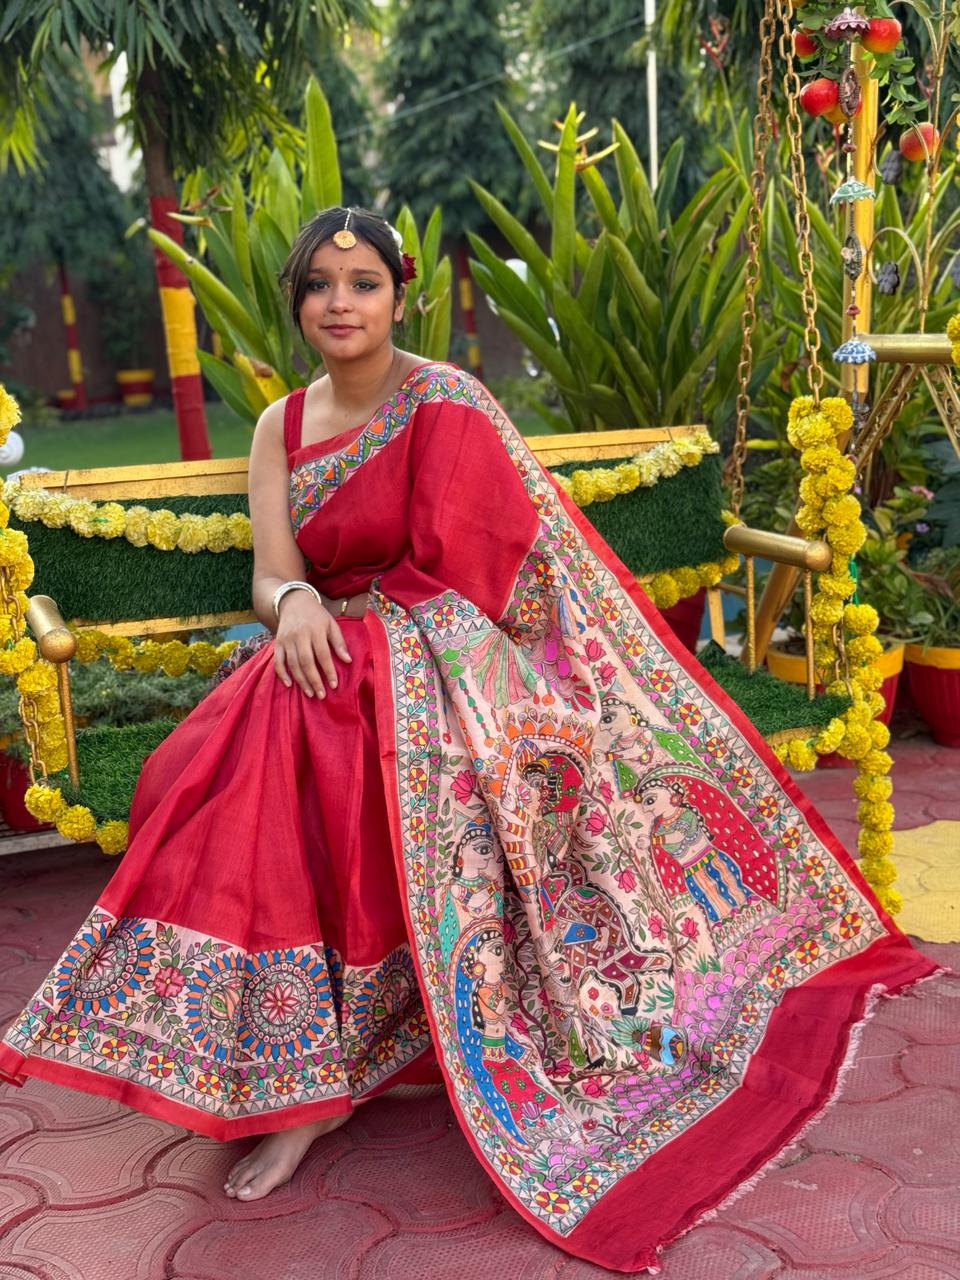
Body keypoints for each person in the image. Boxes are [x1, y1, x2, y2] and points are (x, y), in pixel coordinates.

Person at [0, 206, 939, 1274]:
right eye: (318, 285)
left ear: (401, 294)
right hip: (323, 647)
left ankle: (329, 1072)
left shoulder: (445, 400)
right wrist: (297, 599)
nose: (339, 304)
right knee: (232, 757)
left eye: (361, 282)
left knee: (330, 747)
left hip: (449, 664)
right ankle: (292, 1070)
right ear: (297, 302)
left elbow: (509, 573)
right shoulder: (279, 425)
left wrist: (396, 640)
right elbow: (269, 571)